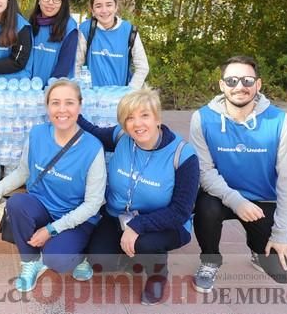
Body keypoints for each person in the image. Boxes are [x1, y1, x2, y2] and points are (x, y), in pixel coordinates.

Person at [0, 79, 106, 293]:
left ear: (80, 106)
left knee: (56, 260)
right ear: (47, 106)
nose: (62, 110)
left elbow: (93, 204)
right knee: (16, 203)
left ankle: (79, 257)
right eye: (55, 103)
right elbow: (22, 173)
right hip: (43, 206)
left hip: (75, 218)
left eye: (69, 103)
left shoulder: (93, 148)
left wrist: (52, 230)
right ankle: (30, 263)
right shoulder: (37, 134)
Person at [76, 87, 199, 305]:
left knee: (145, 244)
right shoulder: (122, 137)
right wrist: (72, 112)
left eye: (145, 115)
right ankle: (134, 256)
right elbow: (94, 131)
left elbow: (181, 211)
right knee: (99, 261)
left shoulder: (183, 155)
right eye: (129, 118)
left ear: (157, 118)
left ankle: (158, 275)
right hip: (118, 216)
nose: (137, 123)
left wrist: (138, 226)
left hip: (166, 224)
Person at [190, 55, 287, 293]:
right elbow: (205, 172)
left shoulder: (281, 121)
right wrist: (236, 201)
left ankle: (255, 247)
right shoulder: (202, 118)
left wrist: (282, 233)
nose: (239, 86)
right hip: (220, 195)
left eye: (247, 80)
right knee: (205, 206)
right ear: (221, 85)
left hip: (263, 201)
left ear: (258, 85)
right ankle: (210, 260)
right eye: (231, 80)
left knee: (284, 273)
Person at [76, 0, 149, 88]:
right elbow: (76, 64)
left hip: (120, 99)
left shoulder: (129, 31)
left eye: (109, 5)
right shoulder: (85, 29)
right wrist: (82, 90)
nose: (104, 10)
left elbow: (143, 66)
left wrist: (129, 92)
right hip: (91, 97)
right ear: (92, 10)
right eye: (98, 6)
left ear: (116, 7)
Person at [28, 0, 78, 85]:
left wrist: (50, 90)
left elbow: (63, 67)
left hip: (55, 90)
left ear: (62, 3)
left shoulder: (70, 27)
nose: (50, 2)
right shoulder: (31, 23)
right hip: (29, 91)